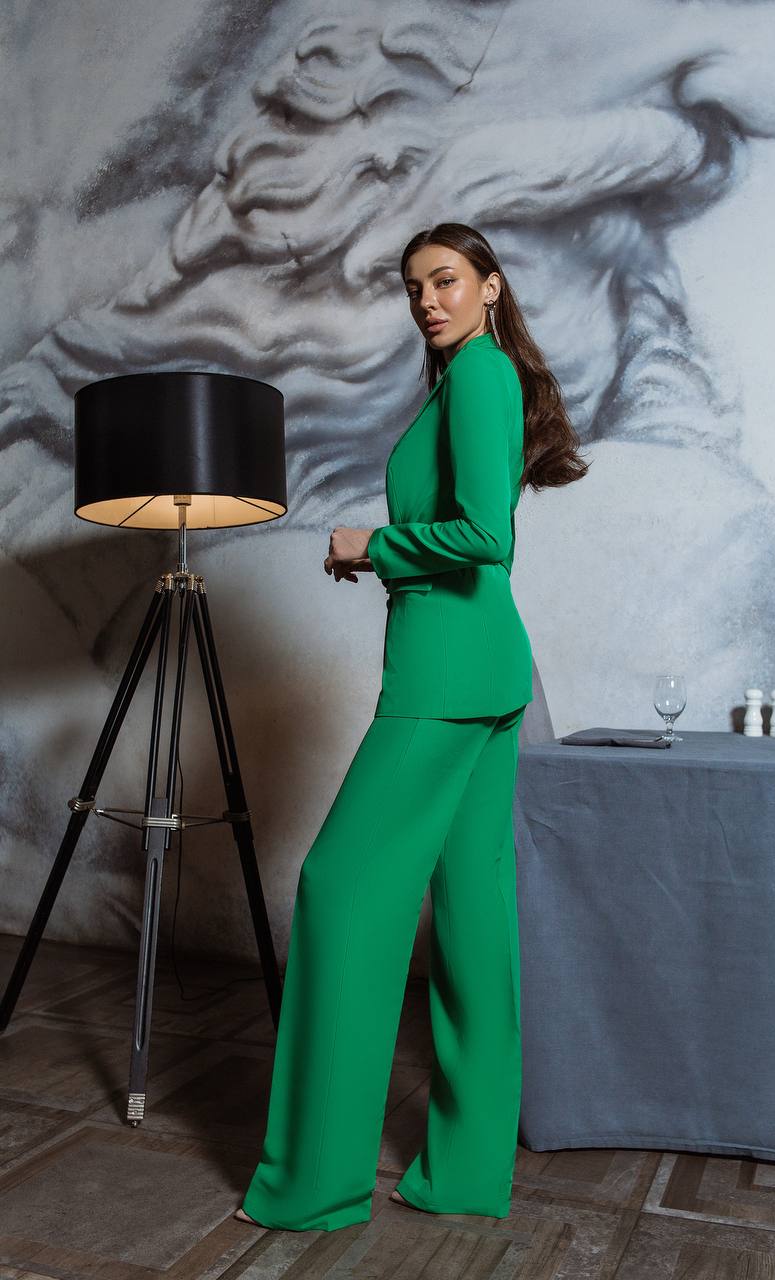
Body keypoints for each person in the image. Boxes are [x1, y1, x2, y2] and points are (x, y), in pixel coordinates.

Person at [234, 222, 587, 1231]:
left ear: (489, 286)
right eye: (413, 288)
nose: (427, 300)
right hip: (482, 669)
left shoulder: (479, 375)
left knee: (340, 887)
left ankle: (316, 1180)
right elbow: (467, 536)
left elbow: (486, 535)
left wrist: (372, 540)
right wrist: (381, 557)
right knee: (471, 918)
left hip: (446, 676)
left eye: (444, 280)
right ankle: (468, 1172)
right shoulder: (467, 382)